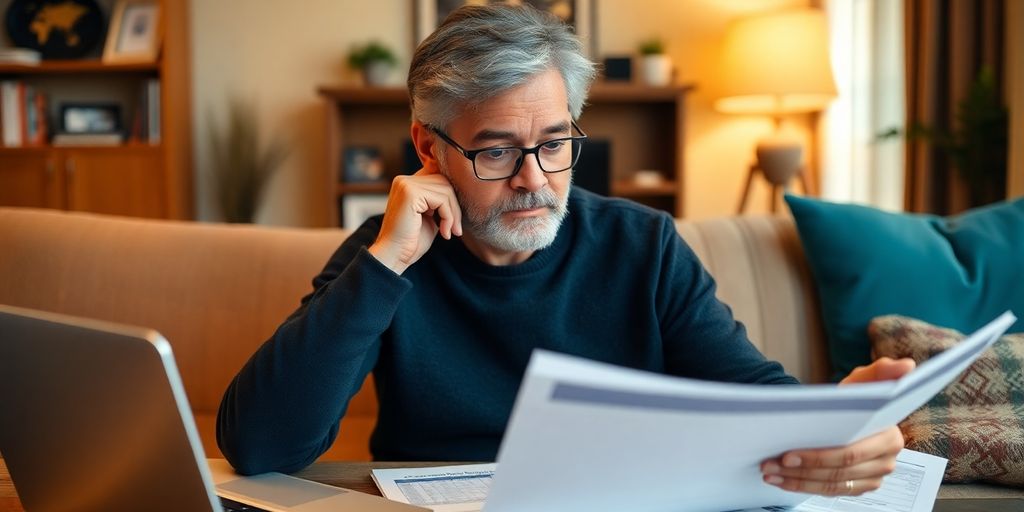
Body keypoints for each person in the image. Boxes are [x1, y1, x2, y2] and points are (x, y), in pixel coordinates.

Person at [217, 3, 913, 498]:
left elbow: (749, 391)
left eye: (554, 144)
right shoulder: (387, 254)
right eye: (496, 151)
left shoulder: (644, 245)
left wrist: (832, 426)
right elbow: (259, 445)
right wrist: (384, 265)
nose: (534, 179)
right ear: (429, 147)